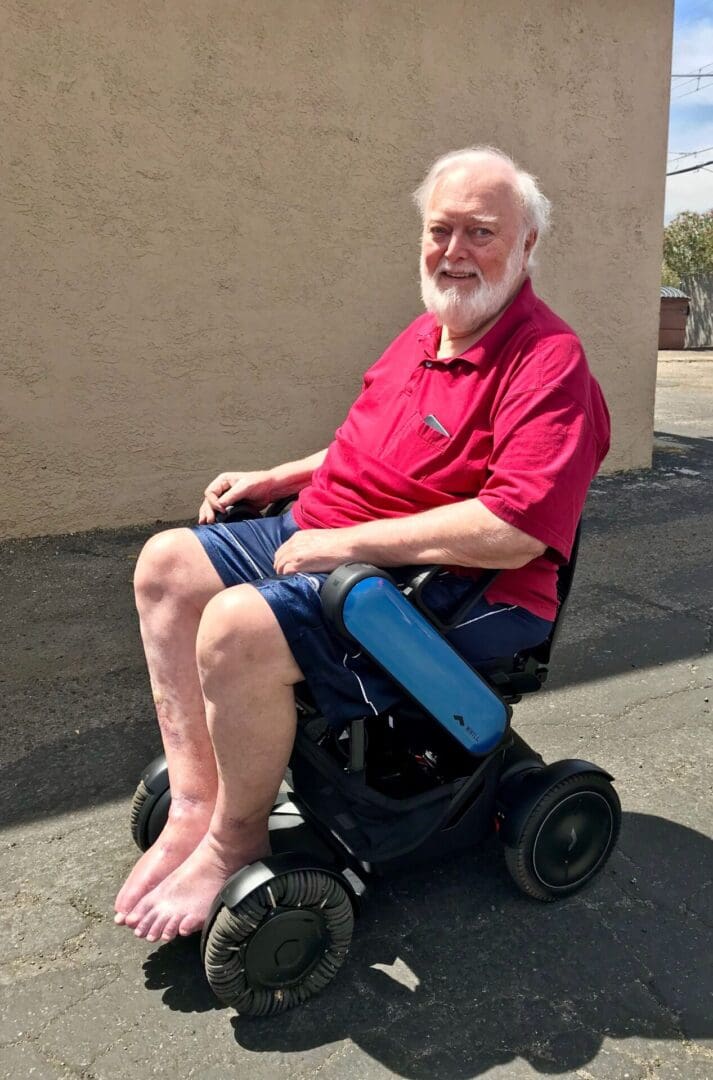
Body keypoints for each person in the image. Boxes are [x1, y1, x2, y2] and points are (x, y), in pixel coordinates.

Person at [114, 146, 610, 944]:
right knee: (168, 565)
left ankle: (236, 838)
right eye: (439, 229)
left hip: (457, 581)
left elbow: (512, 530)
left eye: (480, 232)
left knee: (237, 628)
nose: (453, 251)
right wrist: (279, 475)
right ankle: (203, 803)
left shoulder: (548, 362)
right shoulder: (425, 332)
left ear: (526, 247)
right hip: (334, 535)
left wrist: (347, 544)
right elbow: (367, 446)